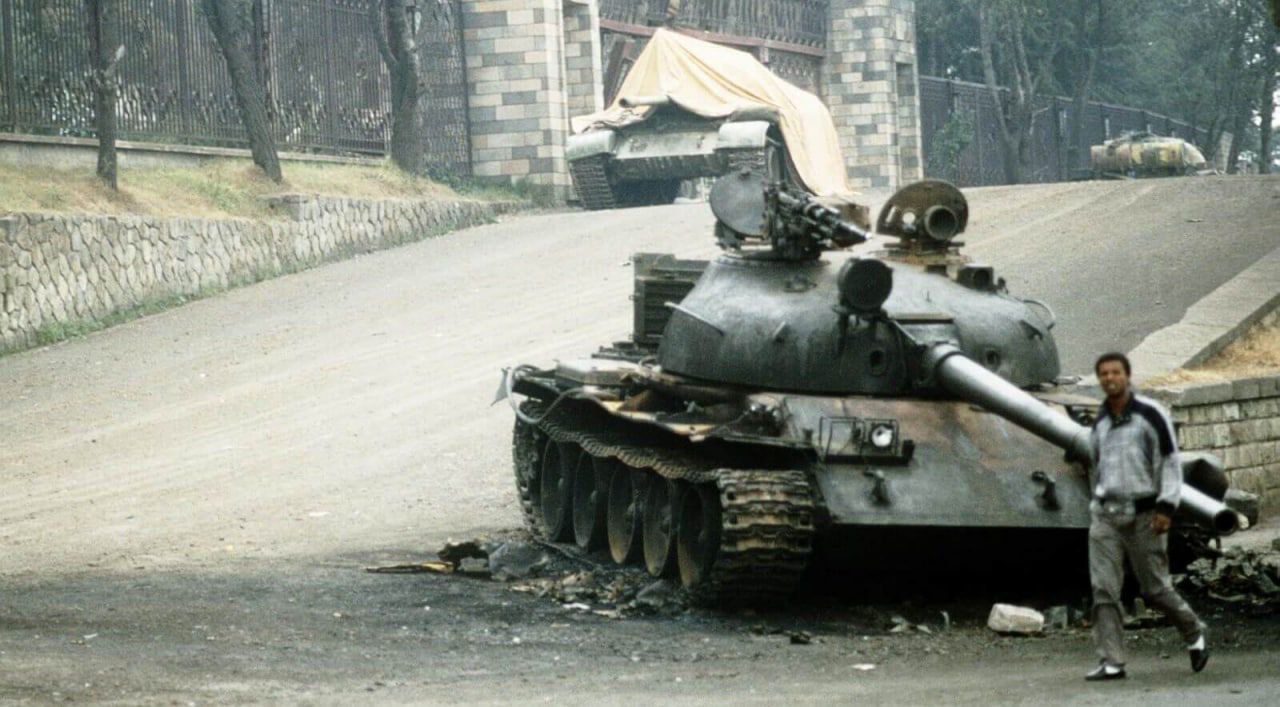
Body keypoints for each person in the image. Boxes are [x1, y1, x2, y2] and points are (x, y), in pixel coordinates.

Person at [1085, 351, 1208, 681]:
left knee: (1154, 589)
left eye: (1115, 372)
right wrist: (1095, 504)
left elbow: (1169, 462)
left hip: (1145, 515)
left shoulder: (1150, 415)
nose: (1110, 378)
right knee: (1104, 590)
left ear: (1127, 376)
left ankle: (1194, 632)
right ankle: (1111, 661)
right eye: (1104, 374)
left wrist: (1167, 506)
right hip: (1106, 515)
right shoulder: (1102, 421)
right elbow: (1096, 465)